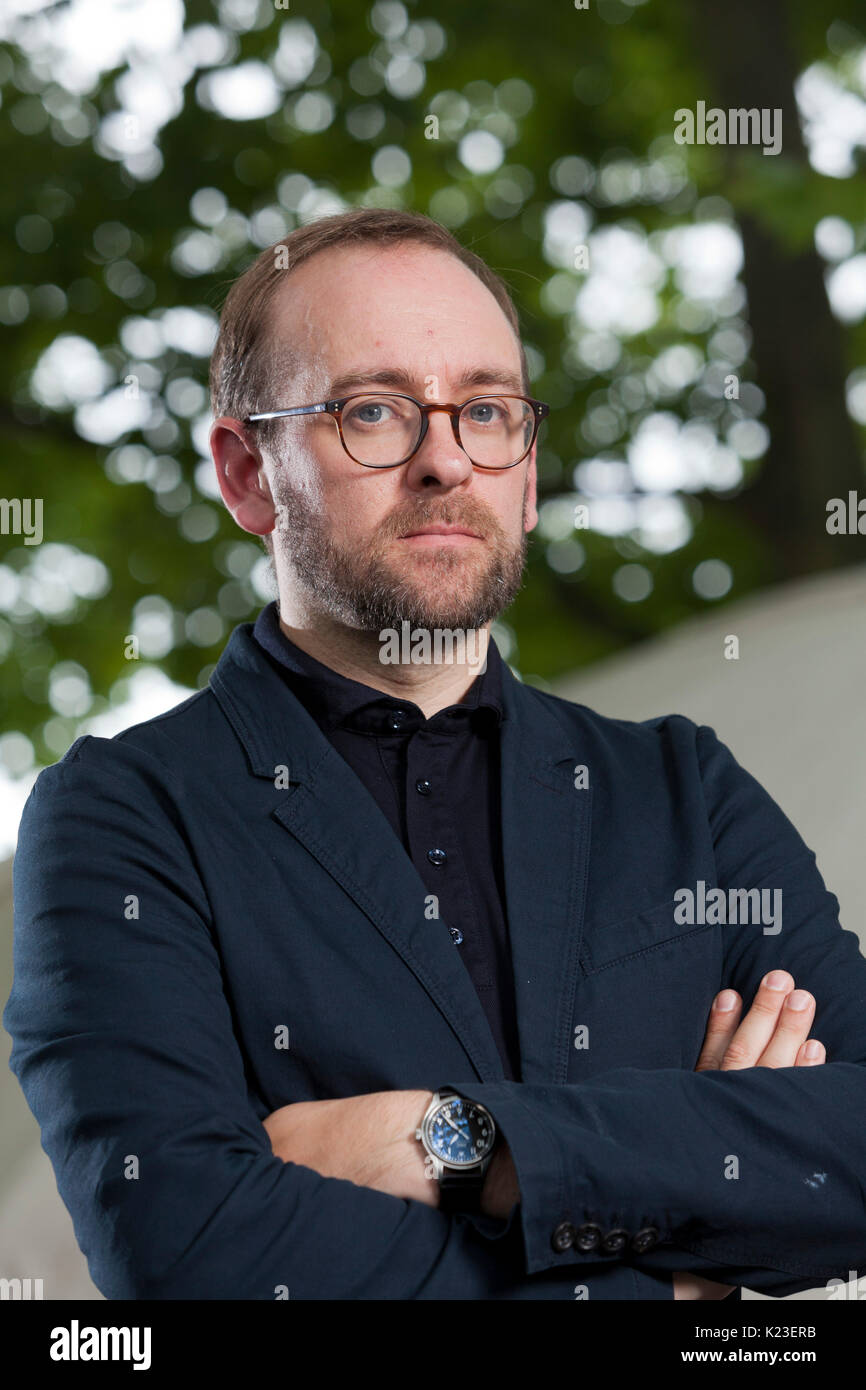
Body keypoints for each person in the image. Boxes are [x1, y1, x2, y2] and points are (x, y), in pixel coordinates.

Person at [6, 208, 866, 1301]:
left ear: (529, 470)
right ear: (245, 474)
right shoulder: (121, 814)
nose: (445, 460)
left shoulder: (682, 787)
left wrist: (458, 1144)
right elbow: (190, 1250)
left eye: (487, 410)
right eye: (373, 411)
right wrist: (672, 1272)